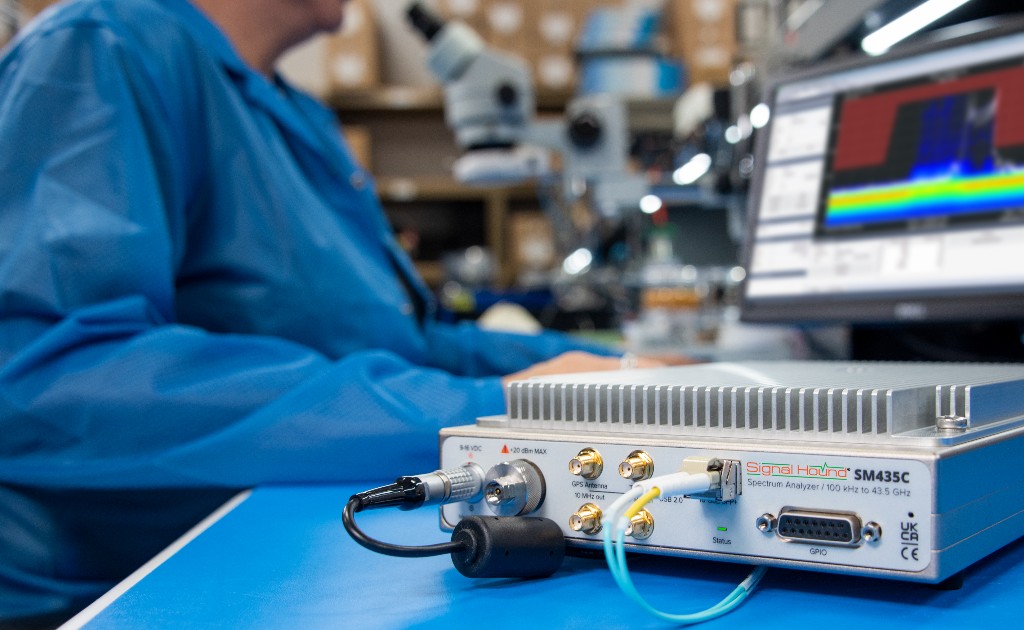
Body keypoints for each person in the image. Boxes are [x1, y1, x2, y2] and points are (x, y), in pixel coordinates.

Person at [0, 0, 653, 623]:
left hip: (277, 562)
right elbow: (55, 376)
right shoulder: (102, 49)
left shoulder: (294, 115)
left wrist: (617, 372)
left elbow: (407, 339)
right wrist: (488, 409)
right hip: (109, 590)